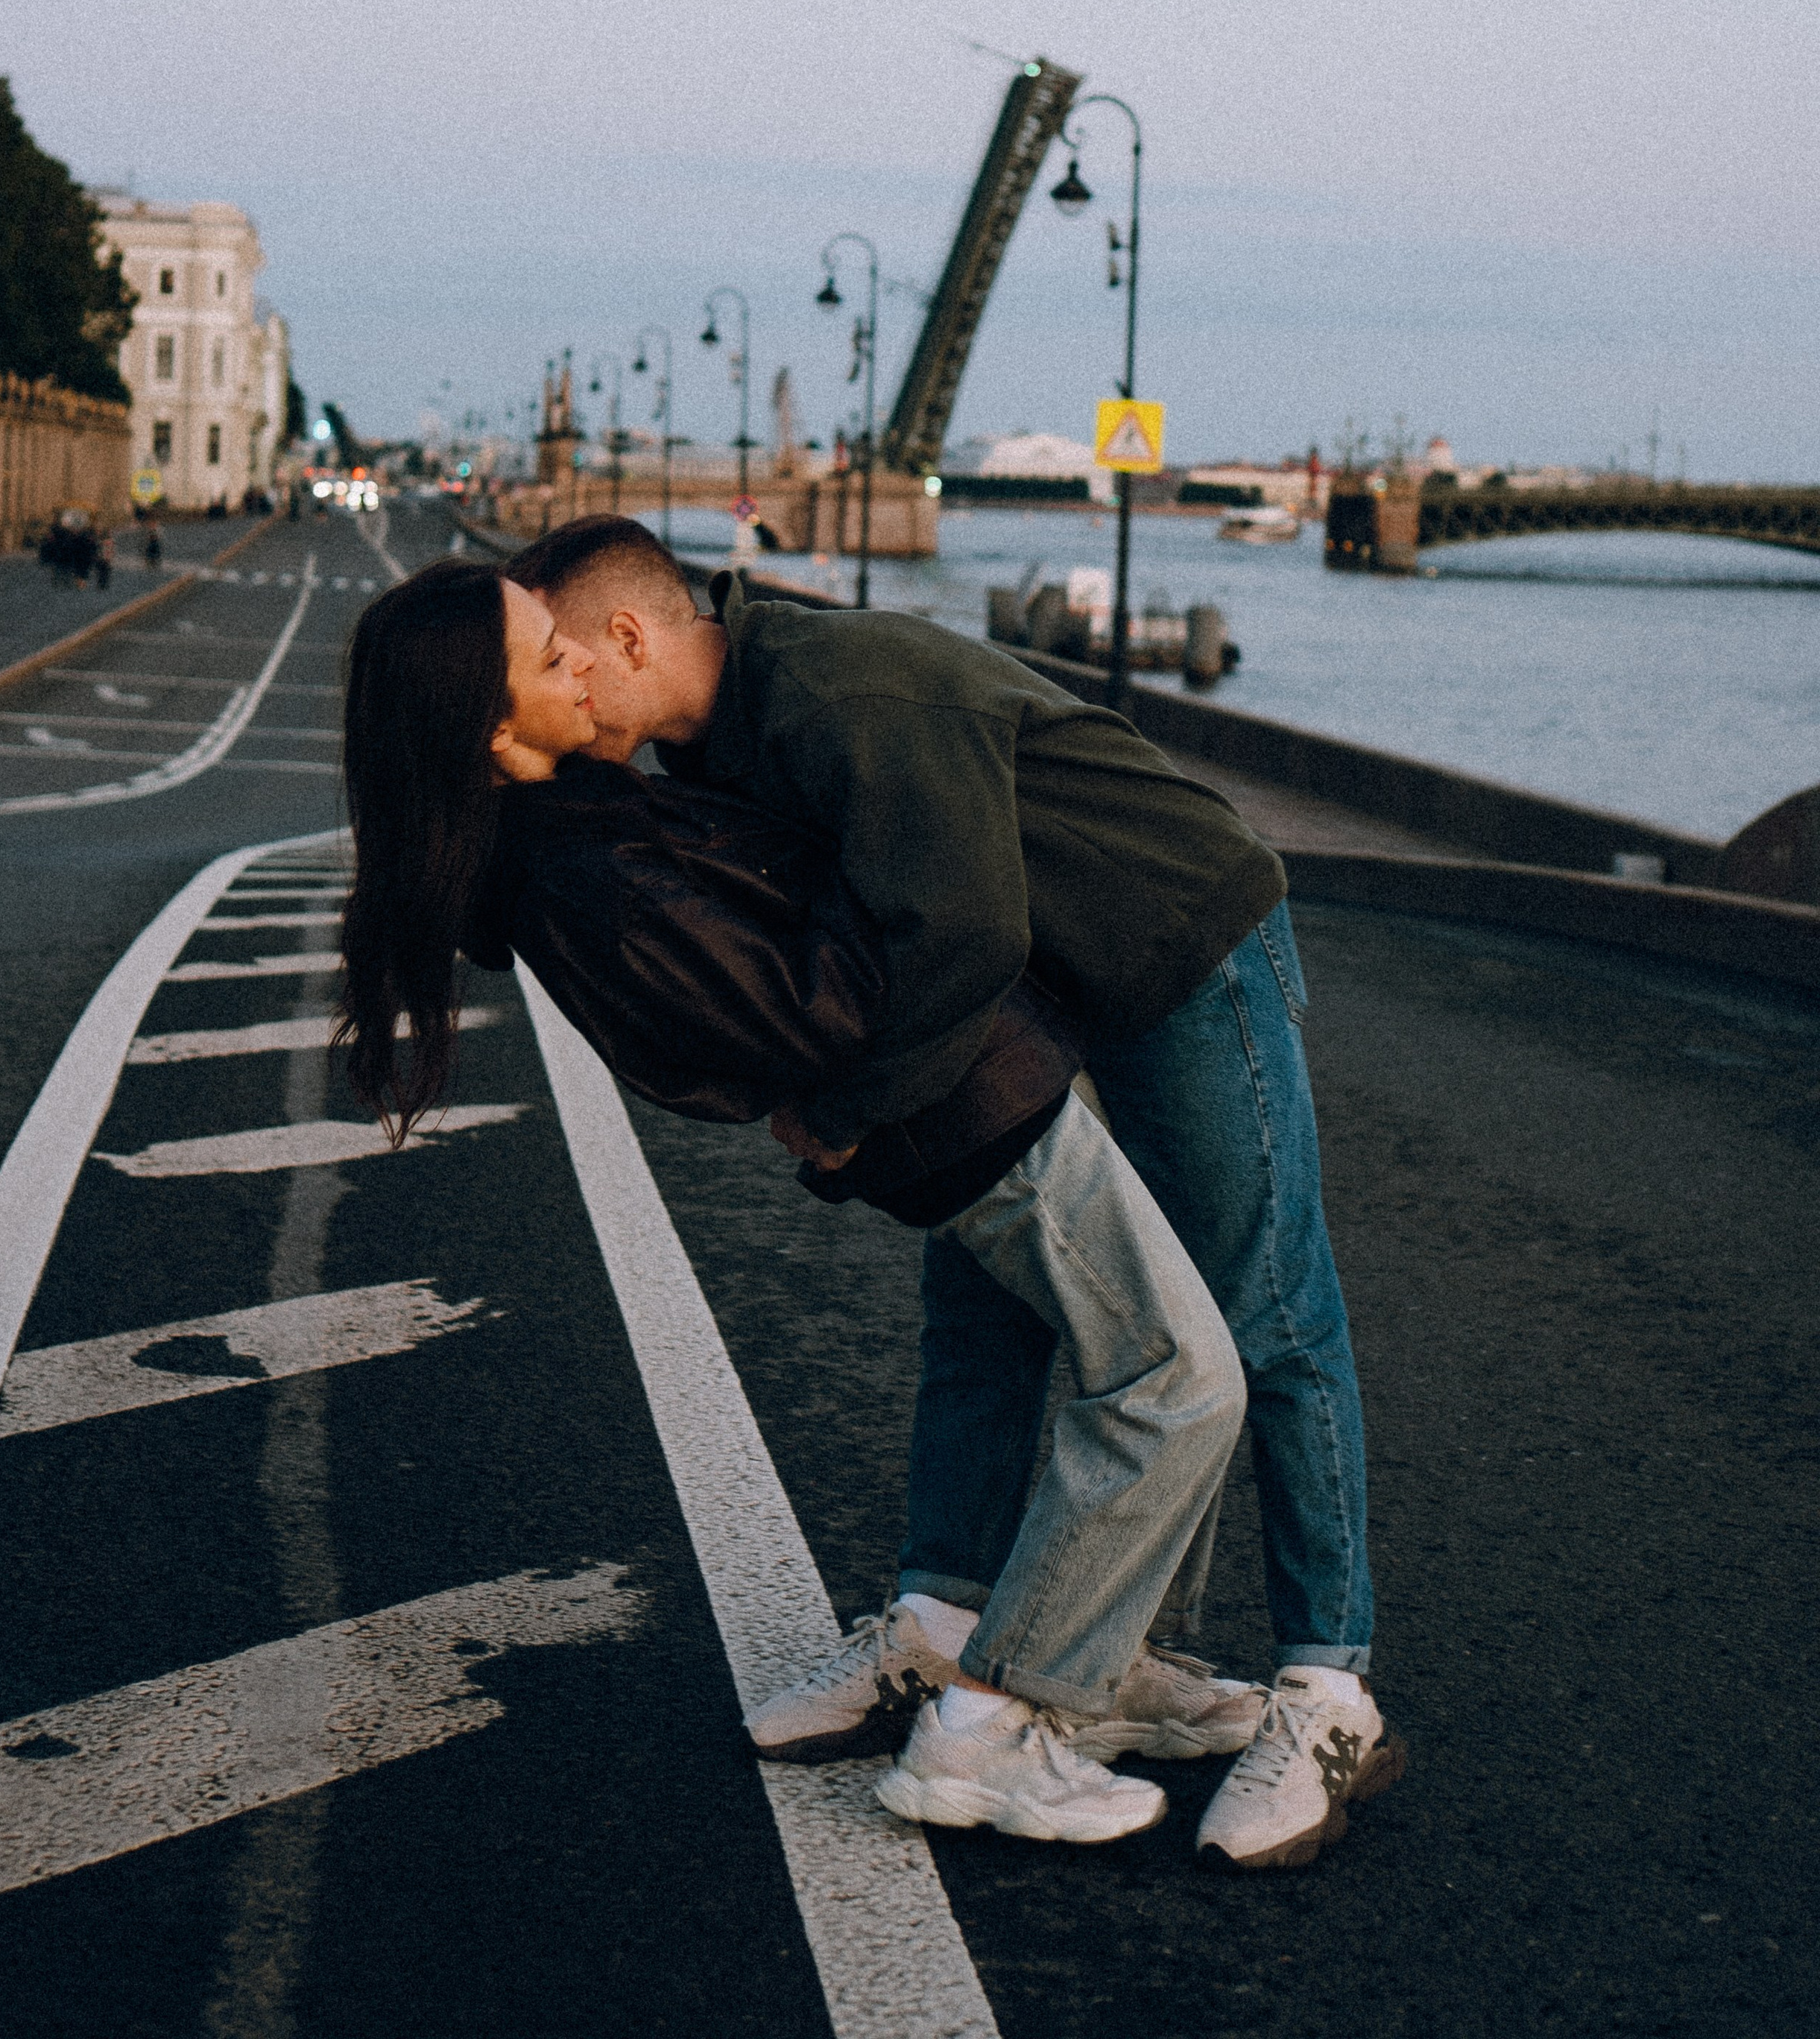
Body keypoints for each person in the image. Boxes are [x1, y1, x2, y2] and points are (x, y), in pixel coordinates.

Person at [510, 516, 1404, 1871]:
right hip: (1028, 993)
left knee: (1262, 1302)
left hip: (1169, 940)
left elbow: (960, 934)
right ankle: (962, 1633)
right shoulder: (711, 737)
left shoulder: (830, 696)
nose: (566, 702)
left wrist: (845, 1118)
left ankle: (1328, 1687)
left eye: (568, 667)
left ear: (630, 636)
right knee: (983, 1318)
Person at [336, 558, 1253, 1847]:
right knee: (1178, 1383)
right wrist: (892, 880)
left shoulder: (580, 825)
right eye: (550, 661)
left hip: (967, 1103)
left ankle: (1096, 1664)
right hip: (972, 1114)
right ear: (490, 732)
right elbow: (812, 1005)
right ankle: (996, 1723)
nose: (586, 667)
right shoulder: (580, 872)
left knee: (1125, 1368)